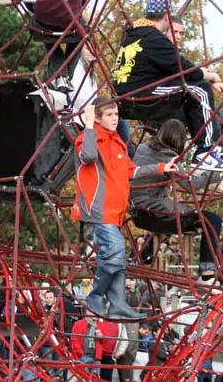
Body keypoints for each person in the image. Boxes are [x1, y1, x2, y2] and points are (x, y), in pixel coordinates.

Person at [112, 0, 223, 173]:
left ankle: (211, 147)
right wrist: (211, 77)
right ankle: (205, 152)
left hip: (128, 98)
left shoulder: (135, 35)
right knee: (199, 89)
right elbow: (185, 69)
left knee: (200, 95)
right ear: (167, 17)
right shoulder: (153, 38)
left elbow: (176, 69)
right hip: (141, 98)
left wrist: (205, 74)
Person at [72, 98, 162, 322]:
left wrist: (161, 168)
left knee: (118, 258)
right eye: (110, 115)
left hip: (114, 211)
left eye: (116, 114)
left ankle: (118, 304)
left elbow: (132, 170)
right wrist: (89, 125)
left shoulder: (117, 143)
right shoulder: (88, 138)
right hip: (98, 210)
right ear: (98, 118)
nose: (115, 119)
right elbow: (89, 157)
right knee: (115, 251)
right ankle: (95, 296)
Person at [129, 119, 223, 284]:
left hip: (138, 214)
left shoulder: (141, 149)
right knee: (212, 220)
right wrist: (215, 173)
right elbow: (190, 185)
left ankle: (206, 266)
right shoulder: (170, 156)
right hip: (156, 212)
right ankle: (207, 270)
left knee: (197, 221)